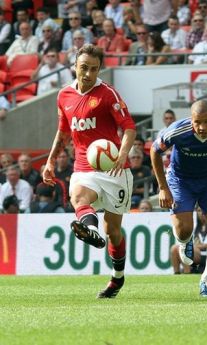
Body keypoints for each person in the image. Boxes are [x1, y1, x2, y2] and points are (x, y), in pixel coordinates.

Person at [42, 44, 137, 299]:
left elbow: (129, 127)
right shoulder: (64, 96)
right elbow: (63, 132)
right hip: (84, 165)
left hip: (115, 170)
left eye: (93, 69)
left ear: (99, 70)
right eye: (83, 68)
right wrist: (51, 161)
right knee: (78, 196)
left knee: (114, 231)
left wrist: (124, 153)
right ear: (75, 66)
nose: (88, 74)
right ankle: (90, 228)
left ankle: (117, 278)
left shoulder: (108, 95)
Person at [150, 100, 207, 297]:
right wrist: (163, 187)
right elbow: (154, 151)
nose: (201, 127)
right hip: (181, 180)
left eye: (206, 122)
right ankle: (185, 241)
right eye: (197, 122)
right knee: (183, 230)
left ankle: (206, 279)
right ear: (191, 120)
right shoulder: (176, 131)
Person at [170, 207, 207, 274]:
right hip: (194, 251)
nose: (201, 213)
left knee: (186, 248)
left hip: (206, 254)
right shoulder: (195, 227)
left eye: (203, 210)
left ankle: (187, 272)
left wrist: (196, 246)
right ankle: (176, 273)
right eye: (199, 211)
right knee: (174, 248)